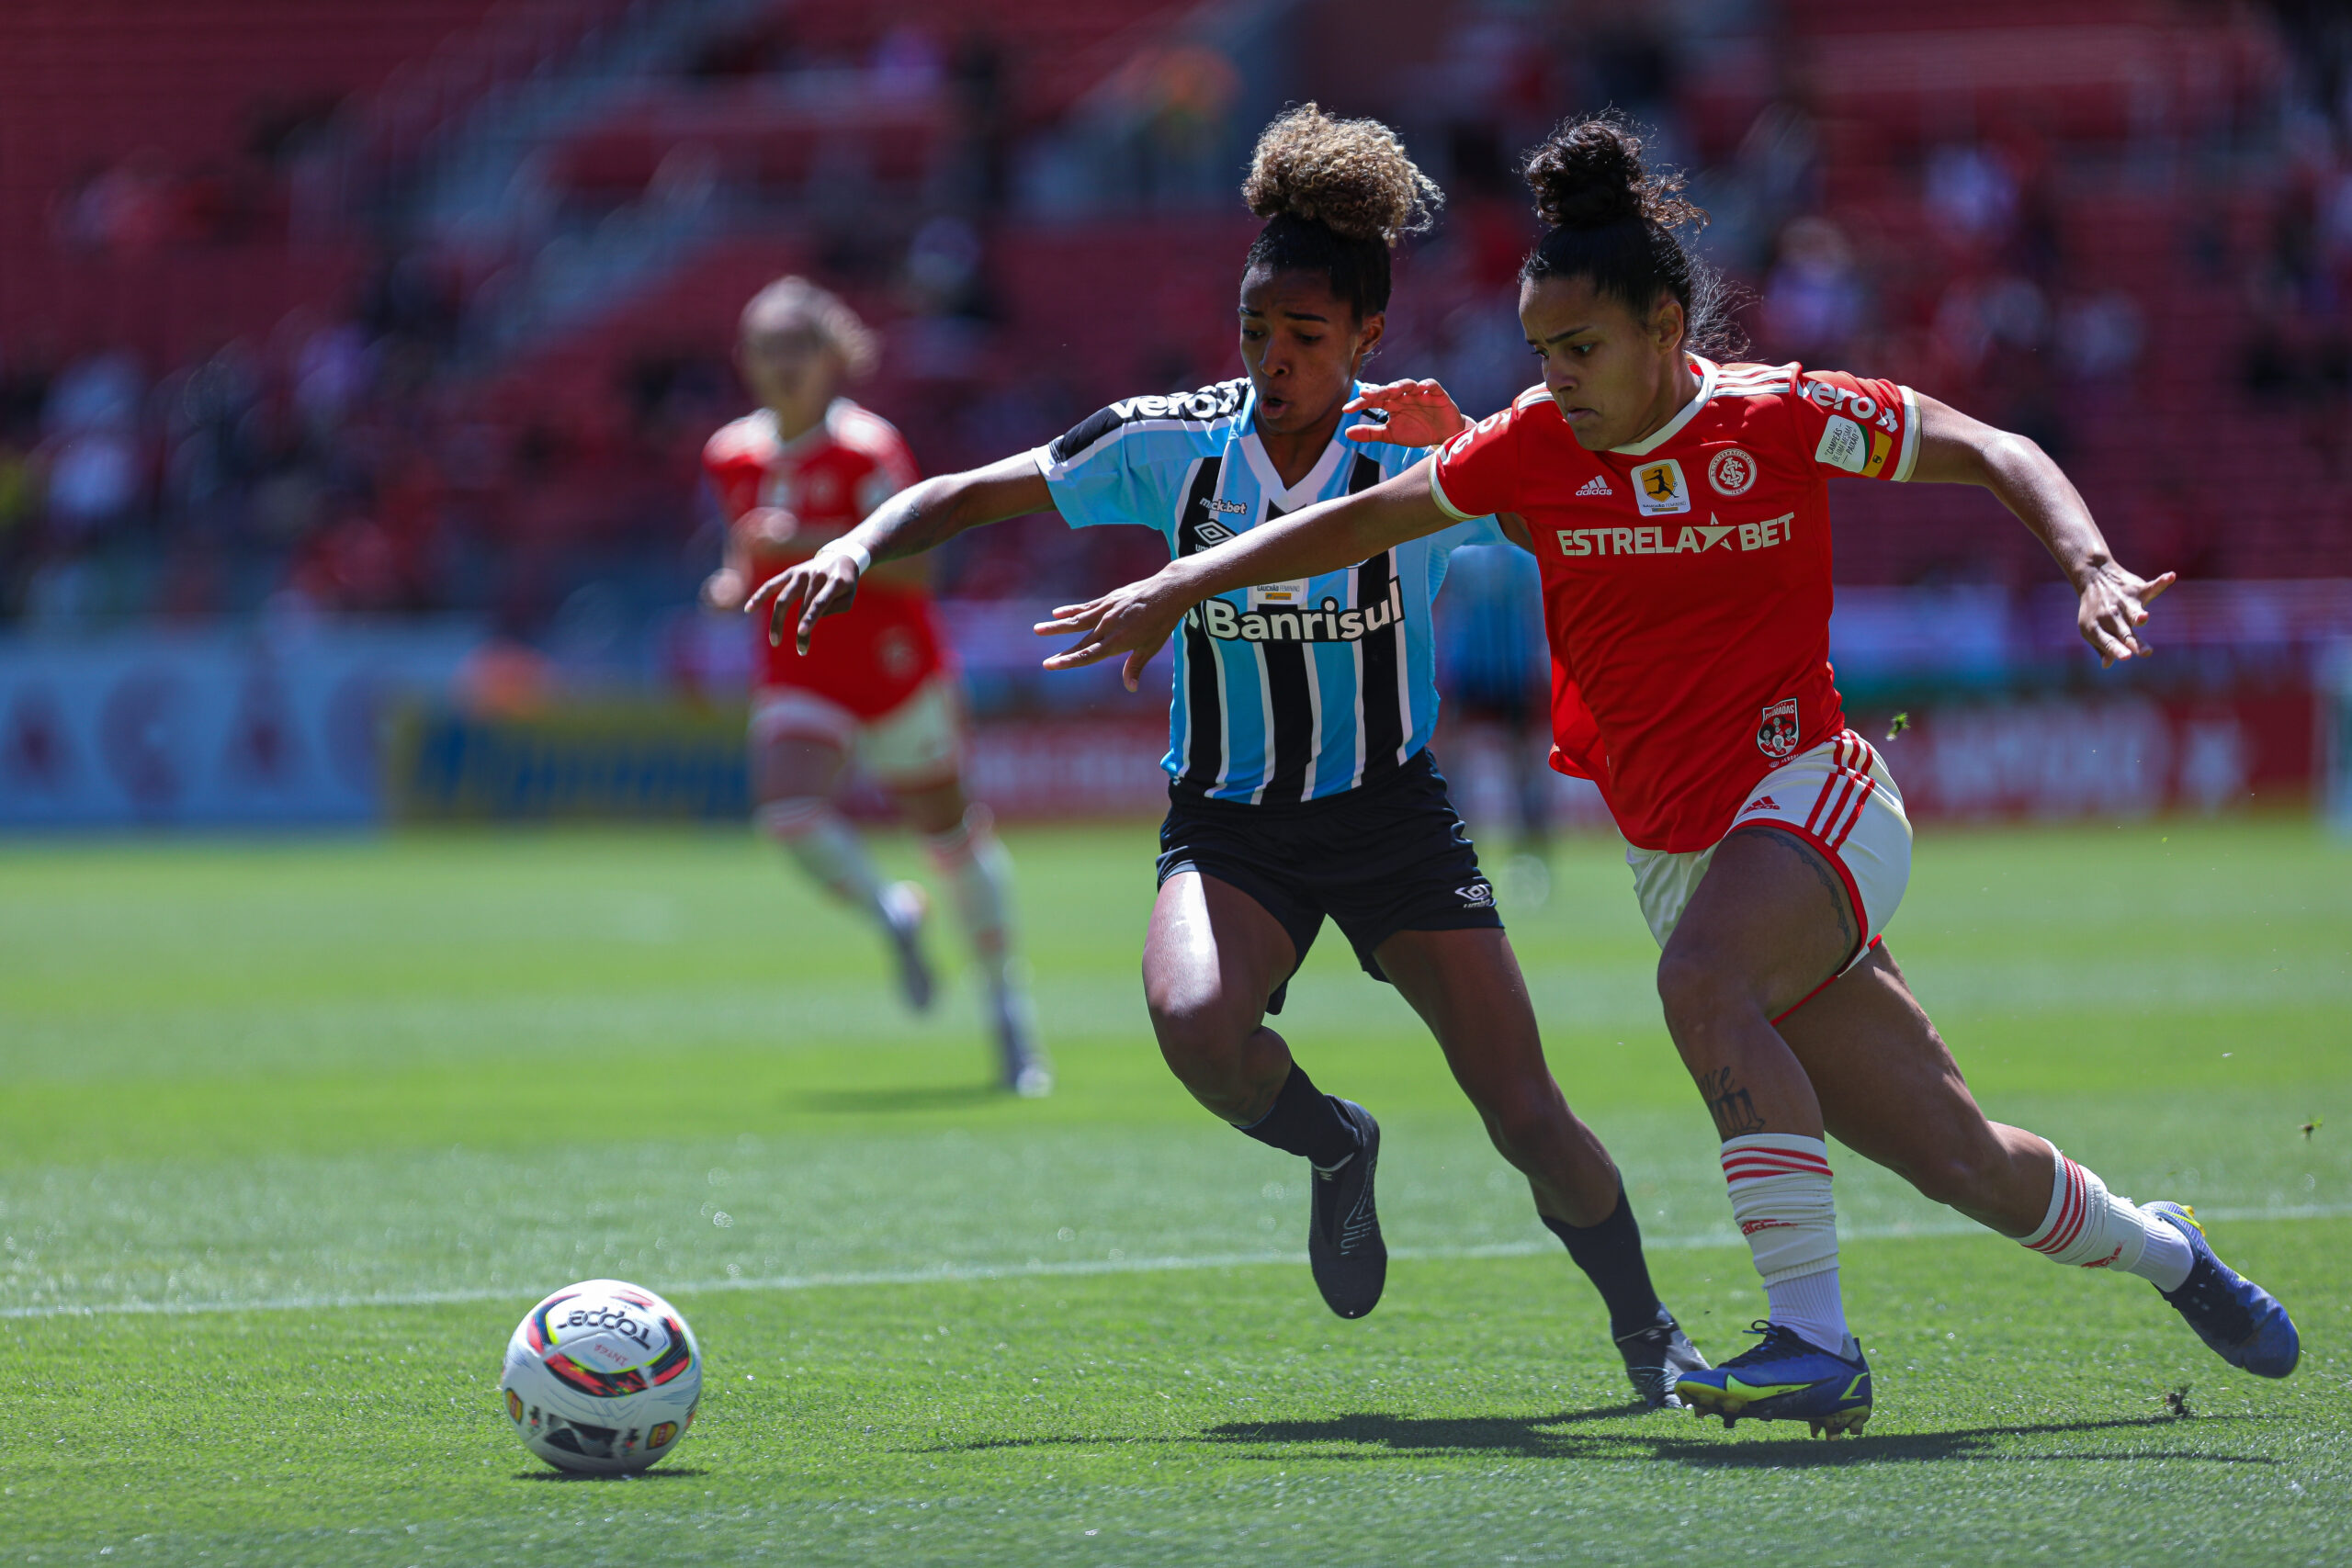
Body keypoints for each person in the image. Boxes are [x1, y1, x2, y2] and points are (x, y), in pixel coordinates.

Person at [1034, 113, 2300, 1438]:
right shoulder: (1532, 441)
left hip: (1818, 789)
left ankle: (1813, 1341)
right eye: (1541, 352)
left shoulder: (1782, 412)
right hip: (1685, 852)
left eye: (1581, 349)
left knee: (1698, 979)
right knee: (1961, 1159)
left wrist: (2088, 558)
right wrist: (1181, 578)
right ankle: (2176, 1253)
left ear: (1664, 327)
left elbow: (1992, 446)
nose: (1559, 375)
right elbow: (1360, 518)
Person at [749, 107, 1706, 1406]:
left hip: (1393, 820)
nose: (1271, 359)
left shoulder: (1423, 451)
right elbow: (977, 487)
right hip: (1231, 826)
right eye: (1255, 328)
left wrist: (1482, 435)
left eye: (1305, 337)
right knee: (1196, 1024)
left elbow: (1581, 519)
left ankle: (1650, 1330)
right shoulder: (1173, 441)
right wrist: (859, 546)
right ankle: (1335, 1143)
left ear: (1367, 336)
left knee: (1525, 1113)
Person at [701, 276, 1048, 1098]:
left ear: (831, 357)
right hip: (801, 667)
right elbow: (739, 554)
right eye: (764, 349)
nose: (781, 365)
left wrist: (807, 542)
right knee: (787, 812)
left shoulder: (869, 450)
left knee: (953, 837)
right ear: (745, 361)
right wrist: (728, 582)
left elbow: (920, 563)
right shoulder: (730, 454)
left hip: (895, 671)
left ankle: (1008, 1011)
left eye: (797, 348)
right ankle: (894, 911)